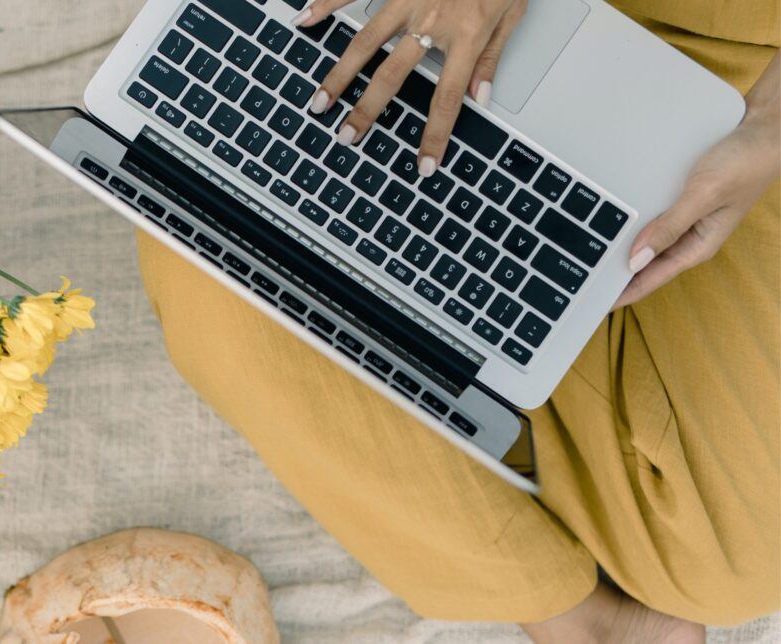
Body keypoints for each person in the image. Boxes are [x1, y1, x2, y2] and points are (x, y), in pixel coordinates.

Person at [135, 0, 780, 641]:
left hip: (738, 68)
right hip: (414, 17)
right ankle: (557, 601)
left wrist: (773, 126)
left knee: (744, 561)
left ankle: (501, 351)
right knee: (207, 243)